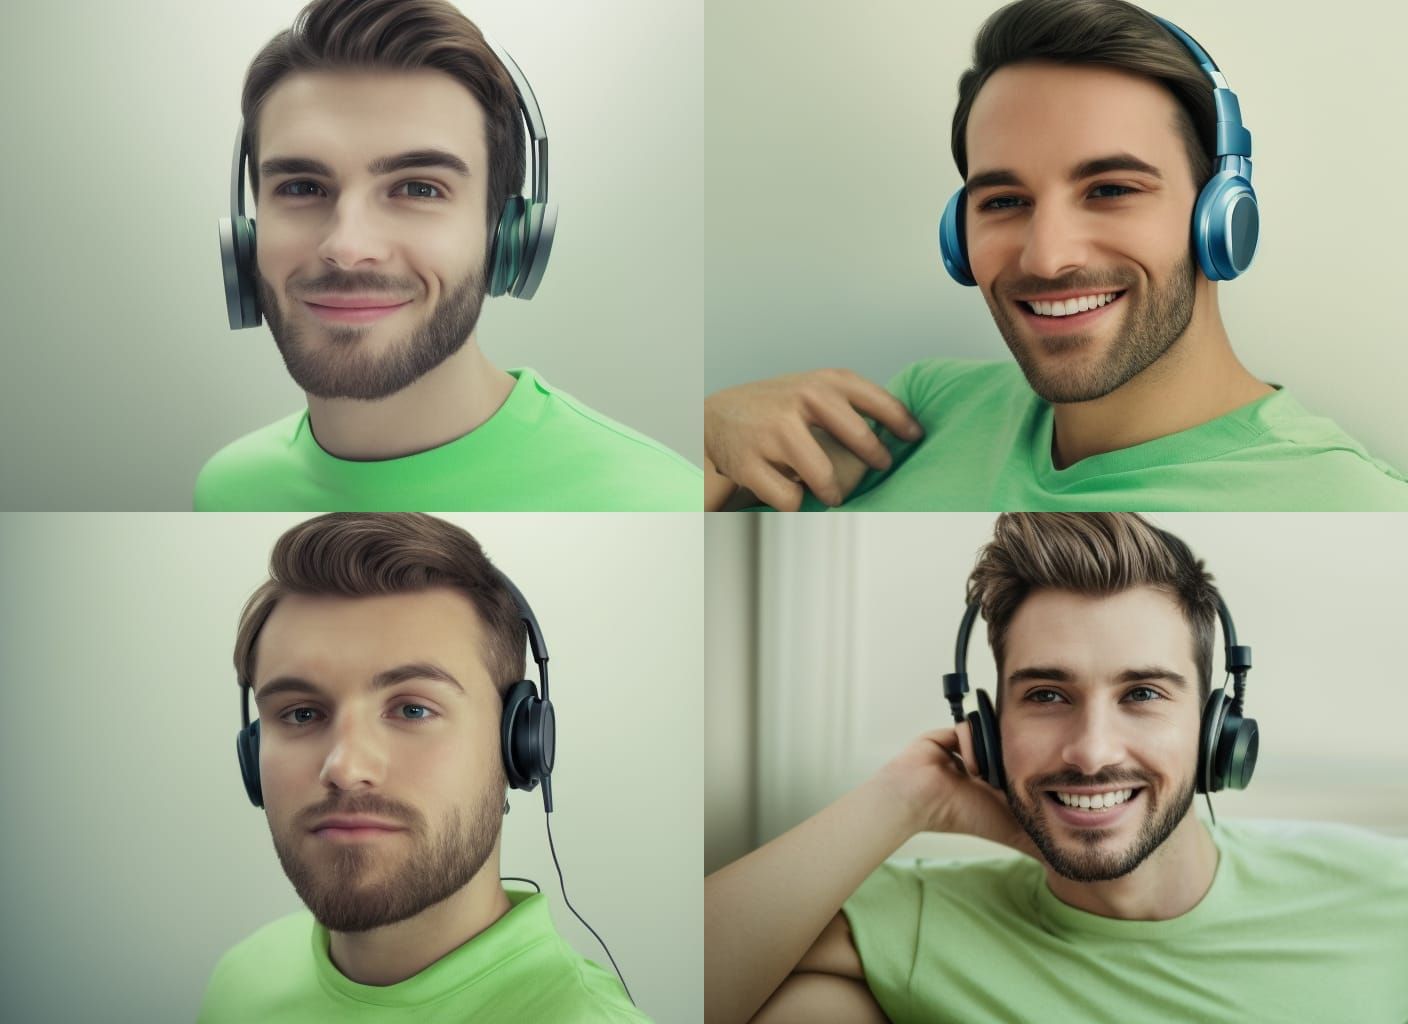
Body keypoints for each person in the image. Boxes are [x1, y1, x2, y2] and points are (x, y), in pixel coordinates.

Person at [703, 0, 1408, 512]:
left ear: (1222, 216)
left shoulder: (1352, 505)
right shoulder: (922, 407)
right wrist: (707, 436)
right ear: (959, 236)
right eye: (1004, 201)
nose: (1048, 257)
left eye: (1109, 189)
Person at [704, 513, 1408, 1023]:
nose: (1093, 751)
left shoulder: (1385, 894)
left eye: (1142, 694)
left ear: (1215, 726)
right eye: (1046, 695)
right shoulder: (915, 923)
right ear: (985, 727)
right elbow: (651, 988)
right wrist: (906, 795)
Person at [198, 0, 699, 511]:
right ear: (247, 232)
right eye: (303, 187)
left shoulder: (653, 498)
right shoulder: (227, 487)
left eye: (418, 188)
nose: (347, 249)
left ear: (506, 235)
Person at [197, 513, 648, 1022]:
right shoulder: (242, 978)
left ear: (518, 743)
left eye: (413, 709)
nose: (344, 767)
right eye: (302, 713)